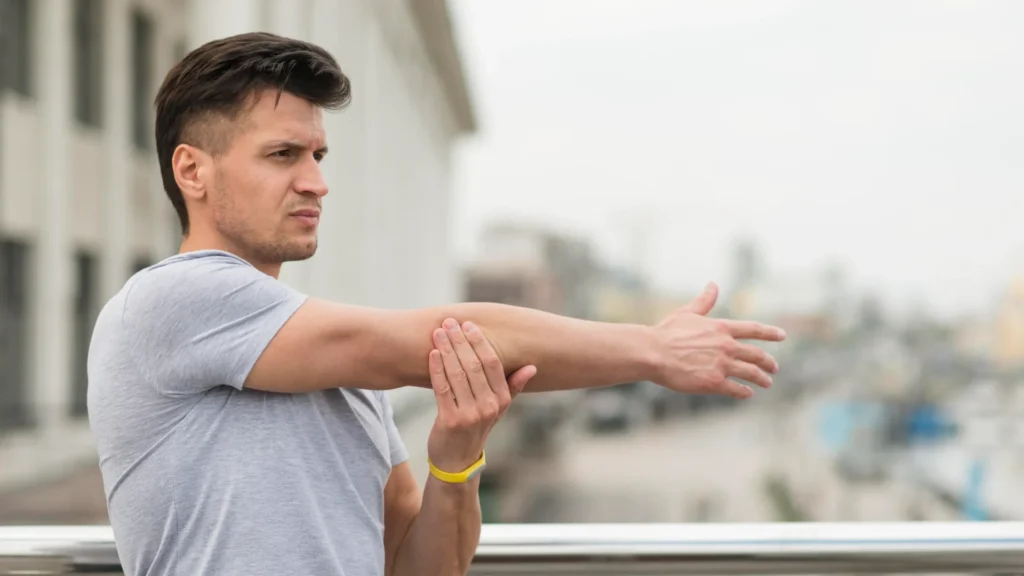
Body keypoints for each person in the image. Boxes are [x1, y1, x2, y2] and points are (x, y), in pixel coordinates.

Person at [87, 32, 786, 576]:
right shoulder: (172, 300)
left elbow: (418, 567)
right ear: (192, 170)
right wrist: (651, 350)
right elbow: (455, 334)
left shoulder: (339, 371)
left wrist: (456, 460)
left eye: (318, 157)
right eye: (282, 155)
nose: (316, 182)